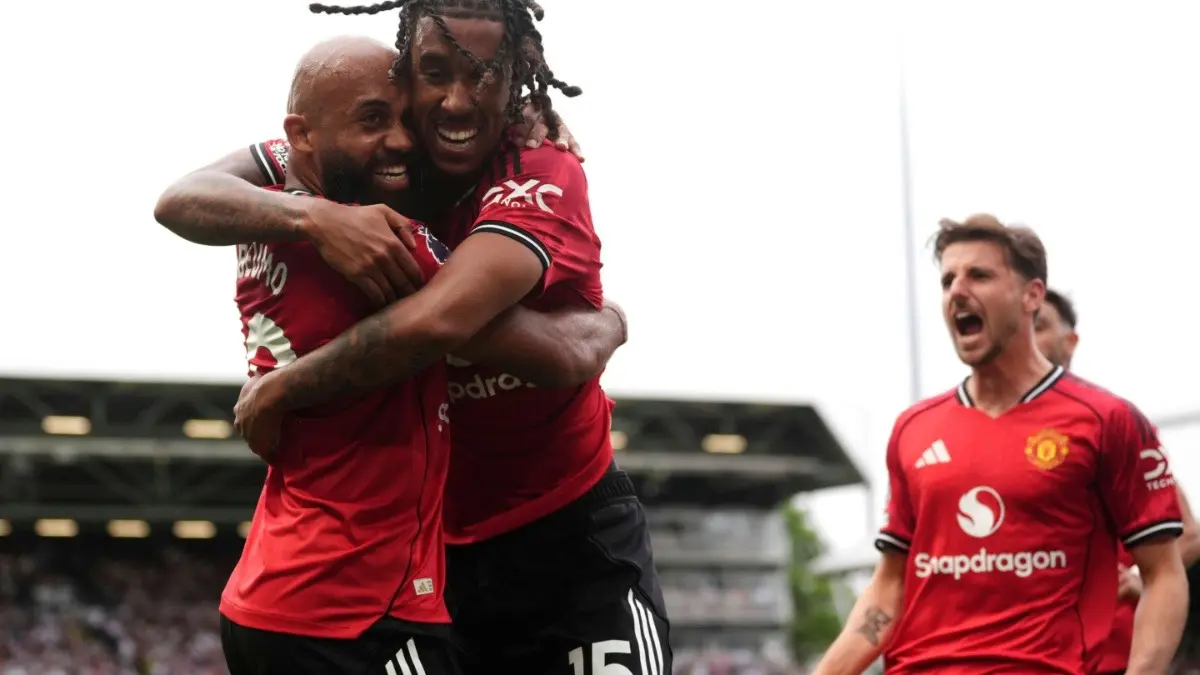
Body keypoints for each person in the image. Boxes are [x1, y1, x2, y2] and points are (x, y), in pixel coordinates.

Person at [231, 2, 672, 673]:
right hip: (443, 562)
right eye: (435, 72)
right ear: (405, 72)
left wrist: (285, 386)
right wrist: (317, 219)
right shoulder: (374, 160)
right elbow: (185, 196)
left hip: (571, 539)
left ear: (517, 76)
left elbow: (463, 325)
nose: (457, 102)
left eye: (485, 76)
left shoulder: (539, 165)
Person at [814, 214, 1188, 674]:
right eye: (948, 279)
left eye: (980, 275)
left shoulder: (1106, 420)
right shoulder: (913, 429)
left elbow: (1165, 573)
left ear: (1032, 295)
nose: (957, 290)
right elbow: (889, 587)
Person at [1036, 288, 1200, 675]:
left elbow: (1189, 532)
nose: (1027, 336)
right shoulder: (987, 435)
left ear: (1070, 341)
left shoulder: (1105, 423)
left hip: (1118, 659)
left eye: (1039, 326)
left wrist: (1143, 578)